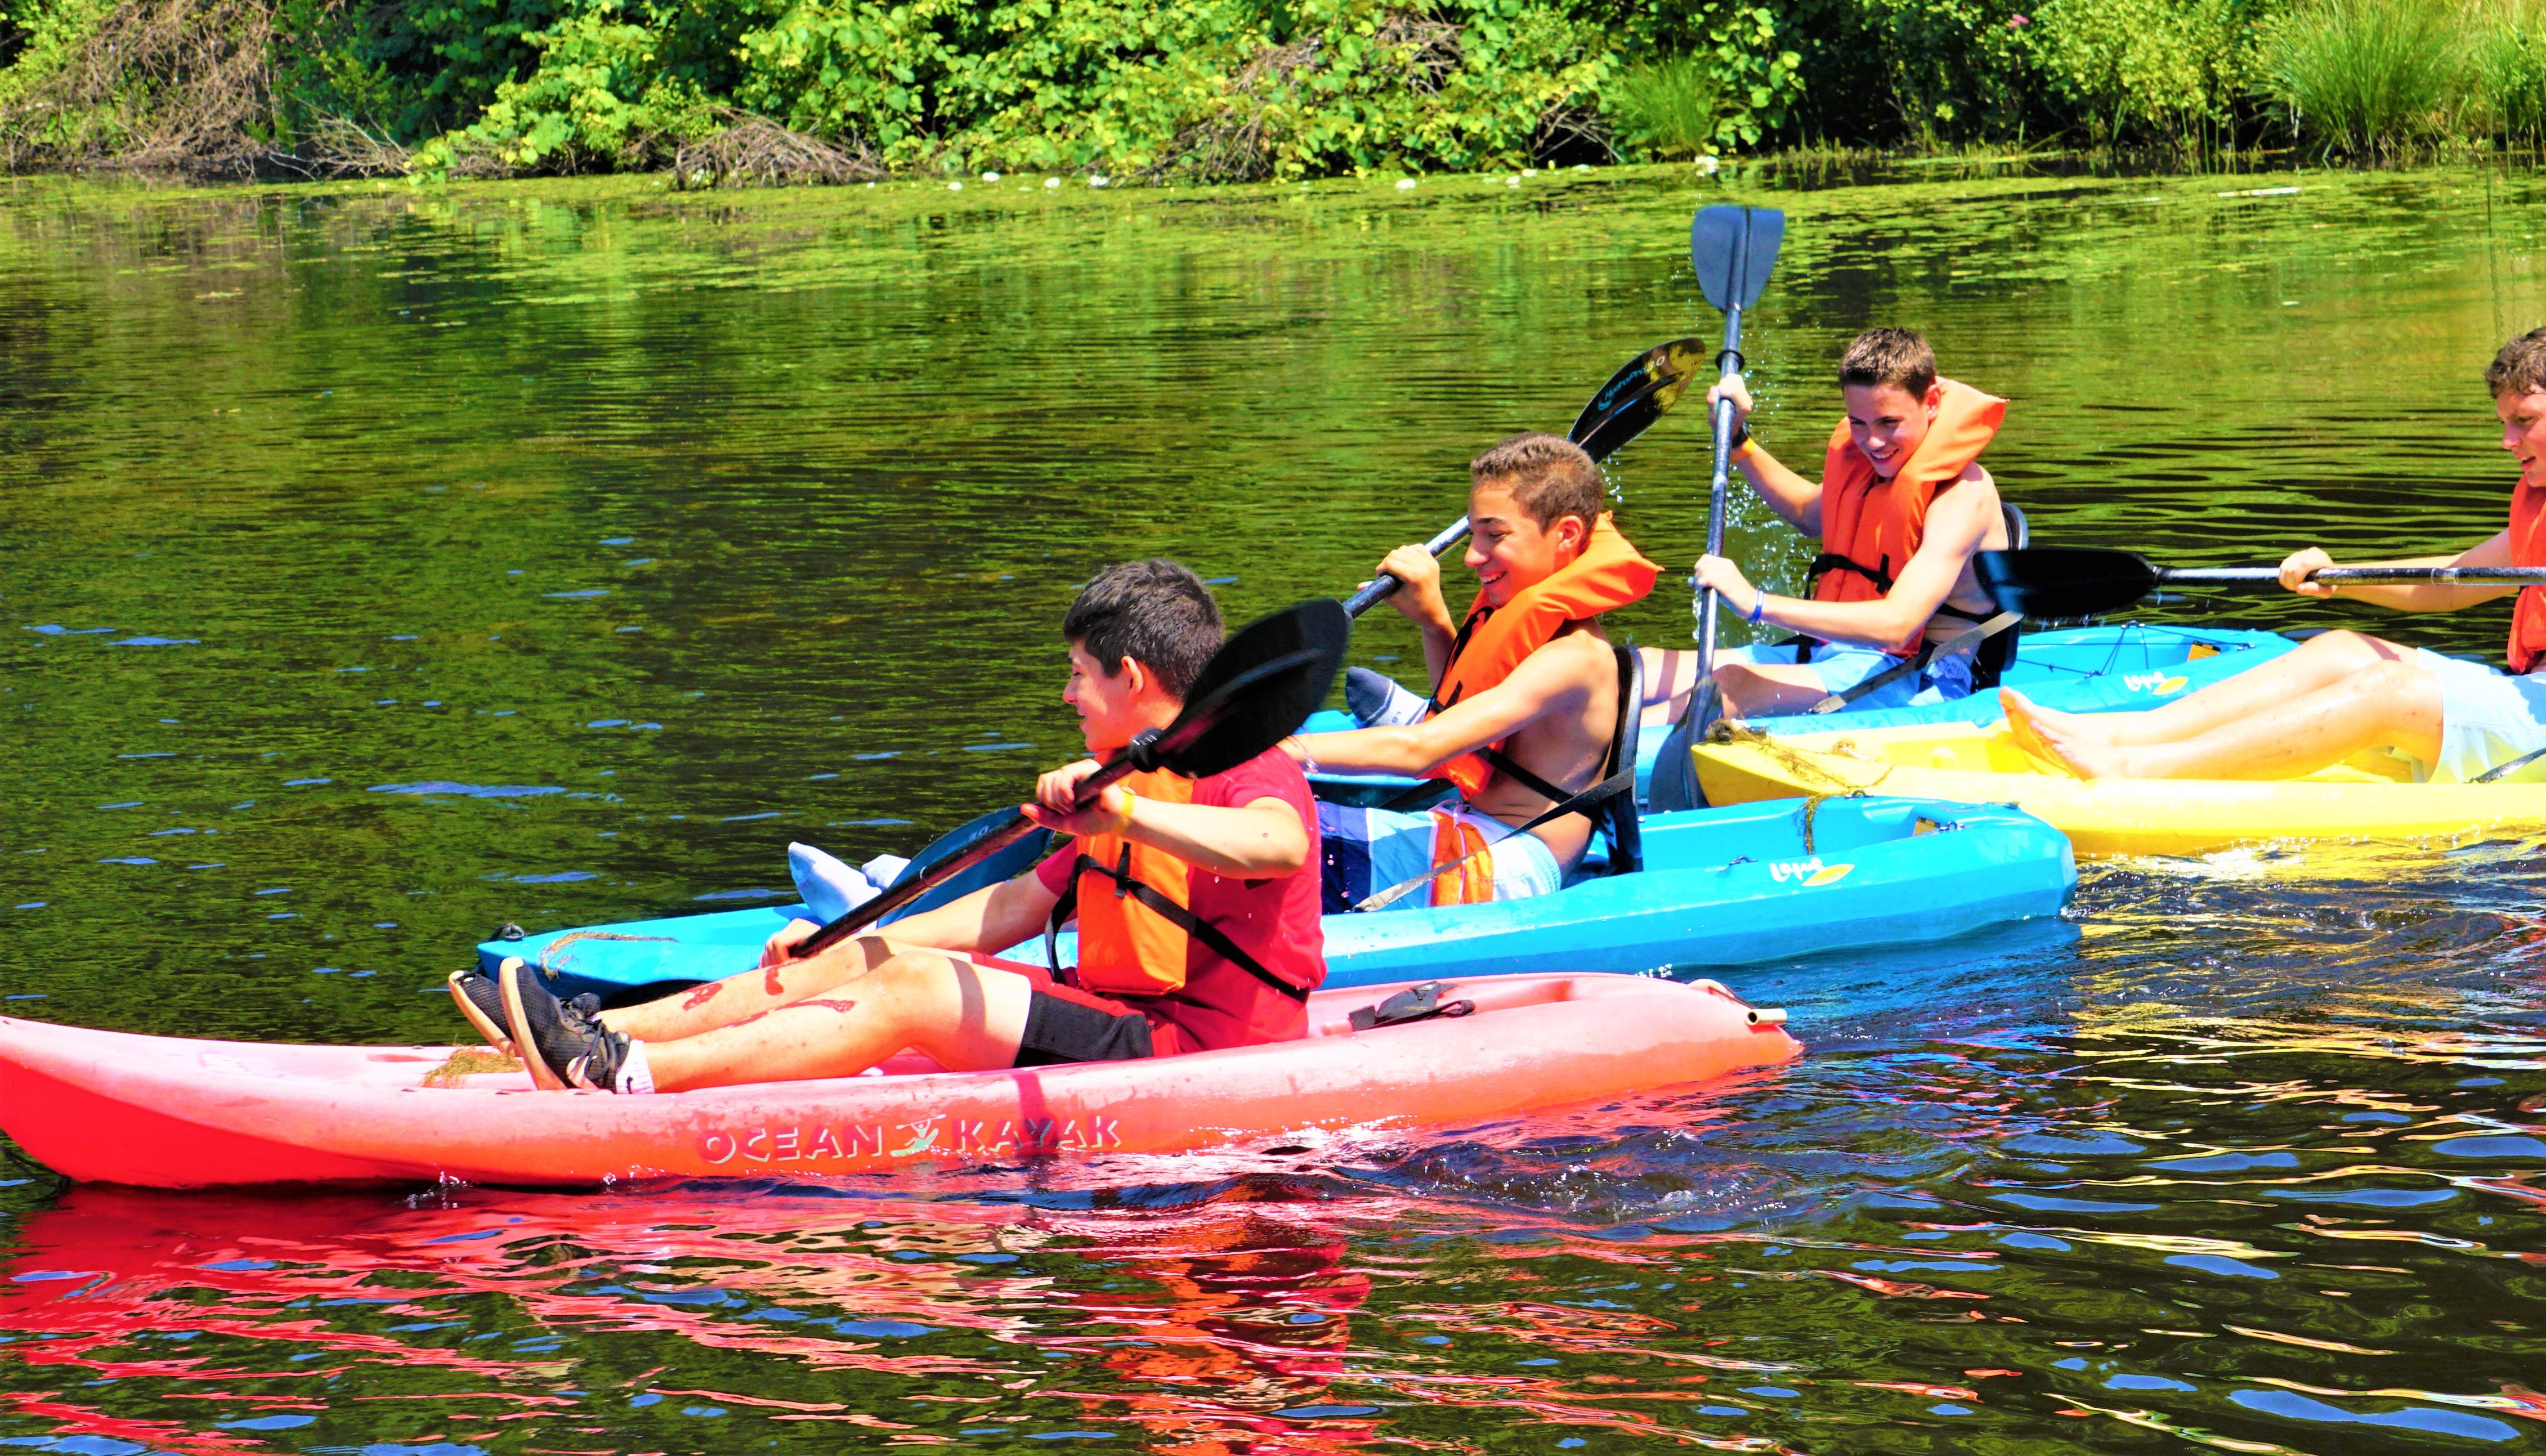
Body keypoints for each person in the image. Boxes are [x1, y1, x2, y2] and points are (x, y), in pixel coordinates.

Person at [453, 561, 1323, 1091]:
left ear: (1129, 676)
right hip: (1128, 1019)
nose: (1066, 695)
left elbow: (1278, 844)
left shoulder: (1245, 765)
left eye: (1077, 674)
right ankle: (595, 1032)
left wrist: (1126, 812)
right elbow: (1013, 906)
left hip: (1206, 1050)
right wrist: (846, 939)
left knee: (916, 990)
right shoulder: (1133, 777)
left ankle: (624, 1075)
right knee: (859, 955)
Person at [2000, 321, 2546, 784]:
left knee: (2386, 691)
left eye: (2524, 421)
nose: (2507, 442)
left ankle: (2137, 773)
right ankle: (2120, 734)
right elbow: (2450, 583)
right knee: (2343, 649)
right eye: (2502, 423)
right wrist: (2340, 578)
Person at [1288, 433, 1652, 910]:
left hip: (1507, 866)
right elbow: (1461, 718)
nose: (1472, 556)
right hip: (1478, 836)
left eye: (1494, 536)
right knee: (1256, 818)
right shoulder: (1539, 630)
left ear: (1565, 534)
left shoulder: (1574, 657)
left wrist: (1274, 751)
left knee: (1276, 834)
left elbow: (1422, 750)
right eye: (1474, 534)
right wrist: (1433, 621)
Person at [1640, 326, 2015, 720]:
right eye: (1859, 423)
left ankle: (1615, 753)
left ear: (1932, 402)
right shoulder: (1874, 470)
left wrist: (1757, 604)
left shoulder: (1963, 498)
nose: (1873, 442)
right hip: (1835, 655)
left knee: (1726, 689)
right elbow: (1806, 512)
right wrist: (1737, 440)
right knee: (1647, 669)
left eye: (1889, 422)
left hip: (1918, 676)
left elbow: (1897, 625)